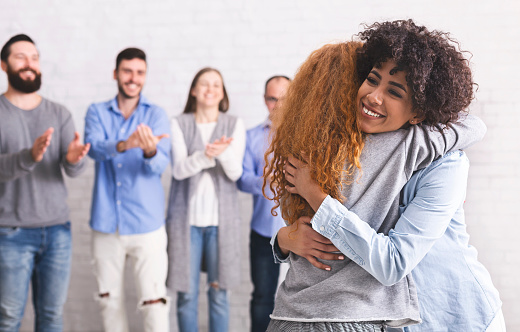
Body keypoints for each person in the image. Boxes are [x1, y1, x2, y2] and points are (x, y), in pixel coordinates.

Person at [264, 20, 492, 331]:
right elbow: (473, 126)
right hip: (360, 315)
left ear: (419, 113)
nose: (373, 96)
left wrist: (314, 198)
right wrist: (285, 238)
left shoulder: (432, 156)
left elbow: (392, 263)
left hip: (449, 312)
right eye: (371, 80)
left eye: (394, 91)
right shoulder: (328, 151)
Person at [0, 34, 90, 331]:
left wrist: (75, 159)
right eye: (21, 57)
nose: (30, 64)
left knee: (51, 317)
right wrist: (30, 155)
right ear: (3, 65)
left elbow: (72, 171)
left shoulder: (59, 113)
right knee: (9, 318)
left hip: (57, 232)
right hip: (10, 233)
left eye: (35, 58)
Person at [84, 47, 171, 332]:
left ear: (145, 76)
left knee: (154, 303)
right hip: (107, 224)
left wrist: (148, 151)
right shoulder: (96, 111)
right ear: (116, 74)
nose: (133, 78)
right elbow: (94, 149)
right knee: (109, 302)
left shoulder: (156, 115)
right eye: (127, 71)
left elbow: (159, 166)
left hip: (147, 225)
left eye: (139, 72)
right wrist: (125, 144)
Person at [166, 67, 246, 332]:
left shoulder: (233, 123)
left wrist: (221, 154)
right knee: (186, 294)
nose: (210, 89)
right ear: (193, 90)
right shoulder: (179, 123)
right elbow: (178, 170)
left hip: (222, 225)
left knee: (219, 293)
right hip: (185, 223)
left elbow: (235, 173)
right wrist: (207, 155)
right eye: (204, 84)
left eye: (216, 85)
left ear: (222, 93)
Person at [237, 75, 291, 332]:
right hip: (264, 232)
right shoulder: (251, 137)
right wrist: (266, 180)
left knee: (304, 300)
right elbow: (241, 179)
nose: (278, 105)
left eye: (284, 98)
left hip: (302, 230)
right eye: (272, 99)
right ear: (264, 100)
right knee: (262, 298)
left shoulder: (309, 135)